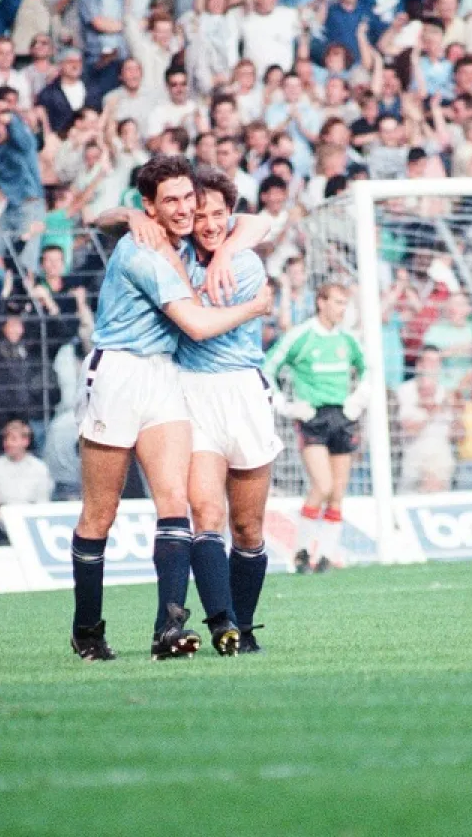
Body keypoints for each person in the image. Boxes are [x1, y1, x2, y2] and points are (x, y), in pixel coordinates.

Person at [69, 154, 272, 663]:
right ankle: (87, 629)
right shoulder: (143, 252)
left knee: (175, 501)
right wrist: (255, 307)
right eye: (172, 202)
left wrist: (227, 250)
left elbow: (253, 219)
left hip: (165, 377)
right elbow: (198, 326)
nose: (184, 210)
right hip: (118, 372)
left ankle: (169, 628)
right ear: (151, 207)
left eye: (189, 199)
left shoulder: (179, 240)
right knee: (101, 512)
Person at [174, 168, 282, 654]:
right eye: (200, 214)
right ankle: (224, 625)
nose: (211, 223)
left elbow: (261, 221)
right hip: (193, 392)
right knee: (206, 512)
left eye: (219, 214)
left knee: (248, 527)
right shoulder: (171, 258)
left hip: (243, 393)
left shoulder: (247, 266)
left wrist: (229, 252)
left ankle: (245, 621)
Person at [263, 282, 367, 573]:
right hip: (313, 418)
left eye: (344, 304)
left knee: (338, 492)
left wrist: (358, 397)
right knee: (322, 485)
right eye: (336, 302)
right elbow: (267, 368)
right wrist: (285, 405)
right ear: (321, 302)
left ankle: (326, 555)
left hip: (342, 415)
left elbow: (368, 368)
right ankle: (300, 550)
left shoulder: (348, 339)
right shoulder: (302, 336)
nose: (341, 309)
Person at [0, 418, 54, 505]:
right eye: (6, 439)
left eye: (13, 439)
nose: (8, 443)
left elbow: (43, 502)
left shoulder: (39, 468)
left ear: (26, 441)